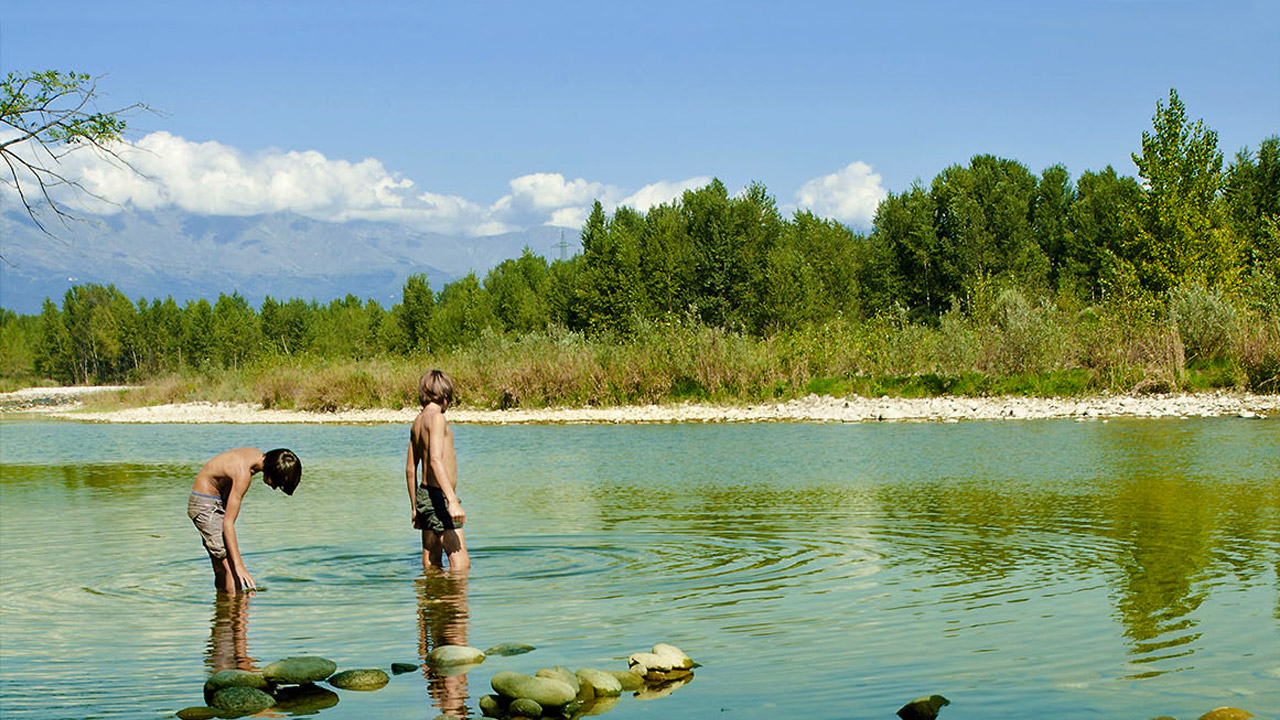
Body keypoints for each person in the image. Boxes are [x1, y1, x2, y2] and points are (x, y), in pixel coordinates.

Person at [188, 447, 302, 593]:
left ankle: (224, 608)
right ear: (271, 471)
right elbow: (228, 524)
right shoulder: (243, 475)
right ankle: (239, 612)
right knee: (231, 568)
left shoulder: (254, 454)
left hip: (211, 500)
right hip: (205, 505)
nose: (274, 488)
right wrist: (240, 566)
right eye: (276, 483)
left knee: (221, 566)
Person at [406, 370, 469, 572]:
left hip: (424, 495)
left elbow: (409, 469)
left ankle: (432, 601)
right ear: (445, 395)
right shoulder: (437, 418)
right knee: (461, 566)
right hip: (439, 497)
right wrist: (451, 501)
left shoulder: (417, 421)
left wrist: (415, 507)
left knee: (432, 562)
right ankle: (453, 603)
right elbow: (435, 459)